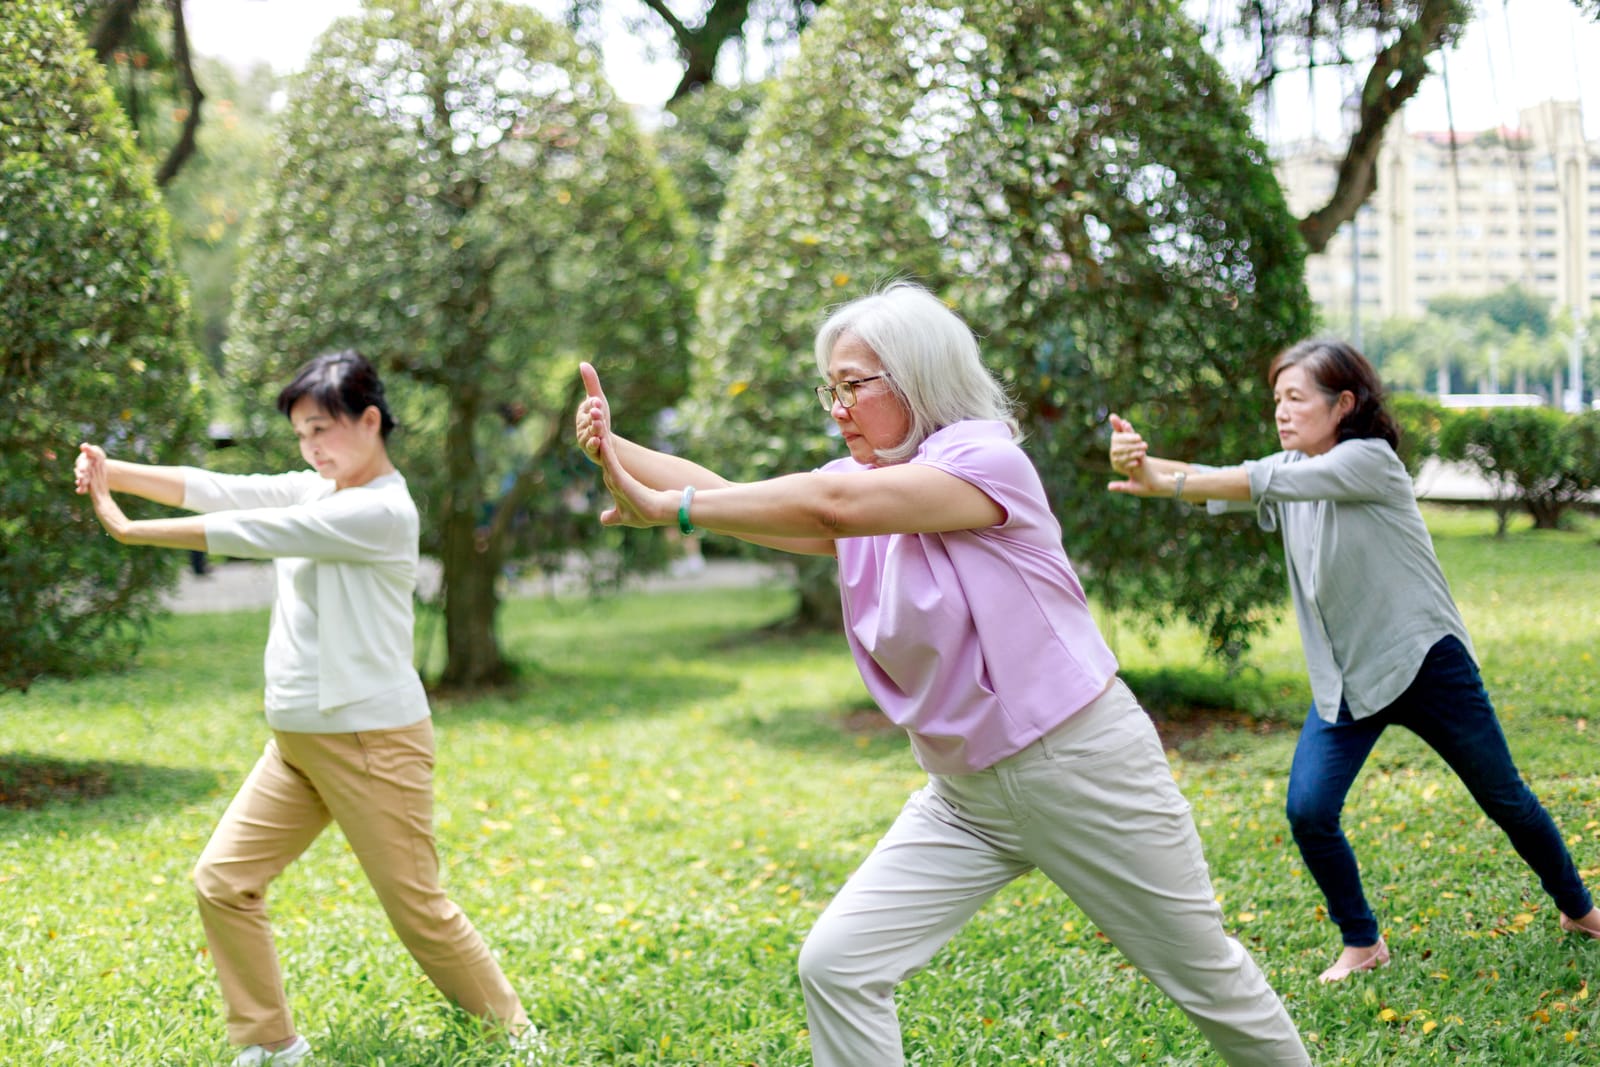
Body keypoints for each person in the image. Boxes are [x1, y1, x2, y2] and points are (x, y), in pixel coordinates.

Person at [573, 283, 1310, 1067]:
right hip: (965, 797)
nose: (838, 406)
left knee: (1206, 978)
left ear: (919, 378)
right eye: (832, 387)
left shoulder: (982, 461)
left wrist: (670, 506)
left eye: (855, 384)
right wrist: (615, 450)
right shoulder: (870, 489)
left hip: (1080, 765)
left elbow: (821, 506)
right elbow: (735, 495)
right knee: (838, 962)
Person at [74, 350, 539, 1066]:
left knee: (418, 910)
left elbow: (251, 534)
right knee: (223, 880)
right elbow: (218, 490)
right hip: (296, 742)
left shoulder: (380, 509)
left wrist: (129, 528)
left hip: (371, 740)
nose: (312, 447)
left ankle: (518, 1039)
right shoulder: (315, 490)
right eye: (301, 434)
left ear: (371, 420)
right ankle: (271, 1041)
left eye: (322, 428)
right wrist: (114, 471)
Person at [1106, 337, 1600, 984]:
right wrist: (1144, 464)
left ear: (1343, 402)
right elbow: (1225, 479)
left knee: (1504, 797)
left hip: (1425, 663)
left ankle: (1579, 908)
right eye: (1276, 398)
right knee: (1310, 809)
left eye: (1295, 397)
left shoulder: (1370, 461)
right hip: (1346, 679)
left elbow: (1248, 479)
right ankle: (1362, 941)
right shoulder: (1291, 466)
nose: (1281, 411)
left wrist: (1161, 480)